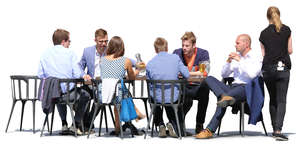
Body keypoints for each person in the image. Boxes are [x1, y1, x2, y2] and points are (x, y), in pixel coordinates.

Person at [195, 34, 262, 139]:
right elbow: (224, 74)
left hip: (247, 89)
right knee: (208, 78)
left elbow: (252, 74)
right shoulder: (236, 57)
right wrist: (228, 61)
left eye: (237, 43)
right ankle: (224, 96)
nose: (235, 45)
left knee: (224, 99)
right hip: (232, 88)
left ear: (246, 44)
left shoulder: (256, 56)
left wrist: (240, 60)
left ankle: (209, 130)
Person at [78, 28, 145, 129]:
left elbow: (128, 61)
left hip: (106, 87)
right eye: (101, 41)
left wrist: (137, 63)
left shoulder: (110, 52)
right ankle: (133, 115)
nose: (104, 44)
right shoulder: (87, 51)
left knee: (109, 93)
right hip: (91, 84)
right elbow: (79, 66)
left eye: (106, 41)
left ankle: (89, 123)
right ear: (95, 40)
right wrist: (84, 75)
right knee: (119, 92)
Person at [37, 29, 90, 135]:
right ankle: (75, 123)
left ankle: (64, 124)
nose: (69, 44)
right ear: (63, 41)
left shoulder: (44, 54)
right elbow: (76, 73)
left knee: (57, 89)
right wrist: (83, 75)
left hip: (51, 95)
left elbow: (40, 74)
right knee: (86, 95)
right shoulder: (70, 53)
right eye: (69, 41)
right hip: (68, 95)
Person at [146, 37, 201, 138]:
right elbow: (187, 75)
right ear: (167, 48)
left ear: (155, 49)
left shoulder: (150, 63)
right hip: (173, 97)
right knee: (170, 96)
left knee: (154, 96)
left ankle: (160, 124)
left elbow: (149, 81)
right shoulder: (175, 58)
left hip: (157, 98)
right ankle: (171, 123)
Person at [259, 6, 293, 141]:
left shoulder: (263, 33)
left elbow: (264, 54)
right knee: (281, 100)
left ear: (268, 17)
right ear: (279, 15)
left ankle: (274, 129)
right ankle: (278, 130)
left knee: (272, 98)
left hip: (268, 69)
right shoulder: (287, 30)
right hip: (283, 68)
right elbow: (290, 50)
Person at [99, 36, 143, 136]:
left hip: (103, 95)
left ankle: (119, 127)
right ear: (121, 47)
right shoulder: (125, 61)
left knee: (122, 91)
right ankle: (134, 117)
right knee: (125, 93)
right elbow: (131, 78)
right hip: (117, 95)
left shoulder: (102, 60)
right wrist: (137, 71)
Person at [173, 32, 210, 134]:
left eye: (187, 45)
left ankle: (199, 124)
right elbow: (173, 70)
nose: (184, 48)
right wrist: (195, 73)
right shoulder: (176, 53)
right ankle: (179, 125)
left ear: (194, 45)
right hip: (183, 87)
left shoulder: (203, 53)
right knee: (185, 97)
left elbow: (205, 72)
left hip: (197, 86)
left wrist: (186, 73)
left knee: (205, 89)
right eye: (183, 45)